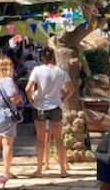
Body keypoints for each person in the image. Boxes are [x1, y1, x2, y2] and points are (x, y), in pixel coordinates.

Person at [25, 47, 74, 178]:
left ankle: (39, 170)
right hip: (55, 106)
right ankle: (63, 170)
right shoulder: (60, 71)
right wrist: (62, 98)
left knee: (40, 139)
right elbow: (71, 89)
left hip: (40, 106)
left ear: (42, 58)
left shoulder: (37, 70)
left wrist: (31, 100)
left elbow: (28, 88)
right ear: (53, 57)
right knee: (58, 139)